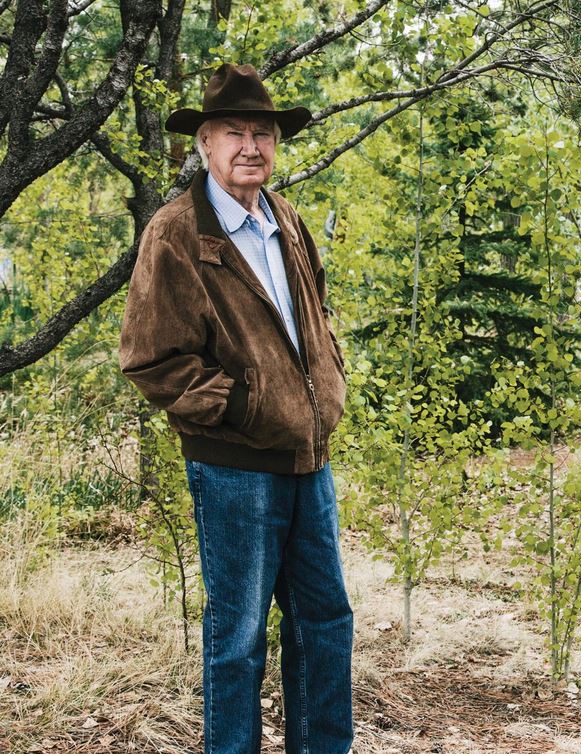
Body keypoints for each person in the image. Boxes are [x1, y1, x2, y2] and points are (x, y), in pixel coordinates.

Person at [119, 63, 353, 754]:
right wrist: (245, 405)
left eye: (263, 133)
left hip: (309, 459)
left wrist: (325, 383)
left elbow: (313, 318)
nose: (251, 146)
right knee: (239, 637)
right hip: (234, 467)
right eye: (234, 133)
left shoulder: (286, 217)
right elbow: (151, 359)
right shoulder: (176, 233)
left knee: (326, 622)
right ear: (205, 145)